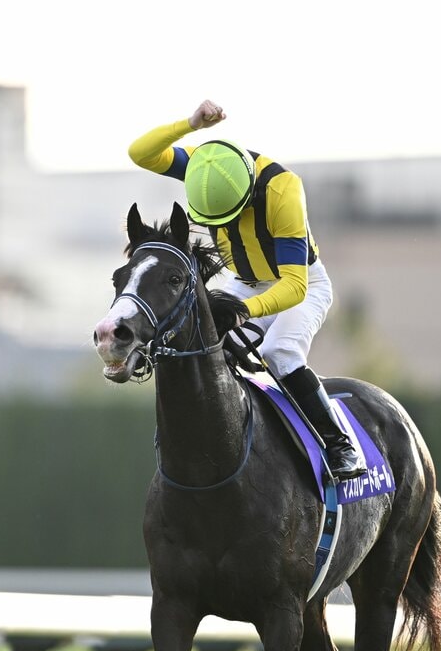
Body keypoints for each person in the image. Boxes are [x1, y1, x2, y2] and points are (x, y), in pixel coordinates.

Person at [129, 99, 365, 480]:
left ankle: (340, 444)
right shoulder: (203, 168)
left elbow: (294, 285)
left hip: (300, 283)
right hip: (243, 282)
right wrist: (189, 124)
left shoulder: (283, 191)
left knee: (280, 352)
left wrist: (245, 311)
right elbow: (139, 152)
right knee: (201, 348)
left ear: (247, 194)